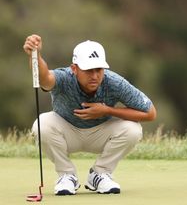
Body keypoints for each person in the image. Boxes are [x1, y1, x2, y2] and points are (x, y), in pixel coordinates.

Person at [23, 35, 157, 195]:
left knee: (132, 129)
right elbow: (45, 78)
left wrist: (107, 110)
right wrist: (36, 55)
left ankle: (100, 174)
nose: (94, 76)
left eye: (98, 70)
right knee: (41, 124)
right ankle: (67, 175)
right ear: (74, 68)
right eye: (88, 70)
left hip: (100, 134)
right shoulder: (64, 77)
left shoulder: (115, 82)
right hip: (66, 133)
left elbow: (150, 113)